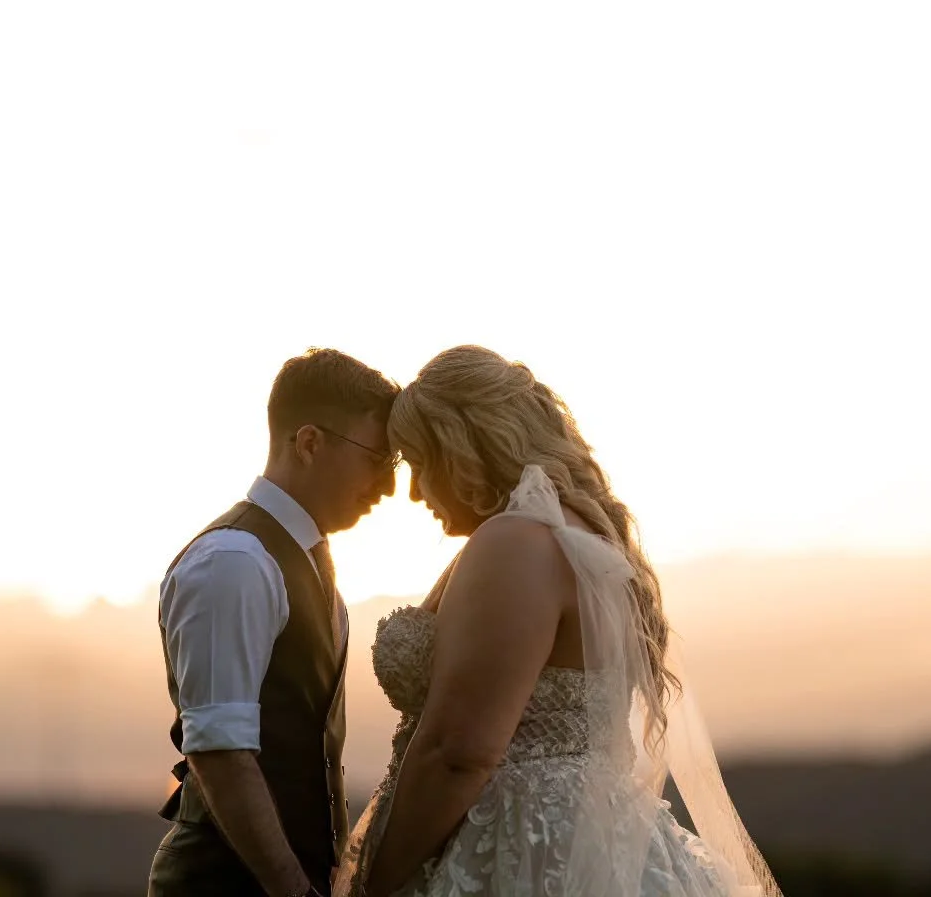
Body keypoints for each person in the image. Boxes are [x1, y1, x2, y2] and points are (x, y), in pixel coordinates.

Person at [335, 345, 782, 897]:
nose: (415, 491)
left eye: (422, 464)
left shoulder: (516, 541)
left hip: (523, 849)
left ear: (465, 450)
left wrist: (376, 883)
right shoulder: (571, 533)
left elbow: (460, 751)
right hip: (590, 841)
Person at [149, 348, 401, 897]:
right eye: (377, 460)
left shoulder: (303, 557)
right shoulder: (235, 561)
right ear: (309, 443)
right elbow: (219, 750)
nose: (388, 488)